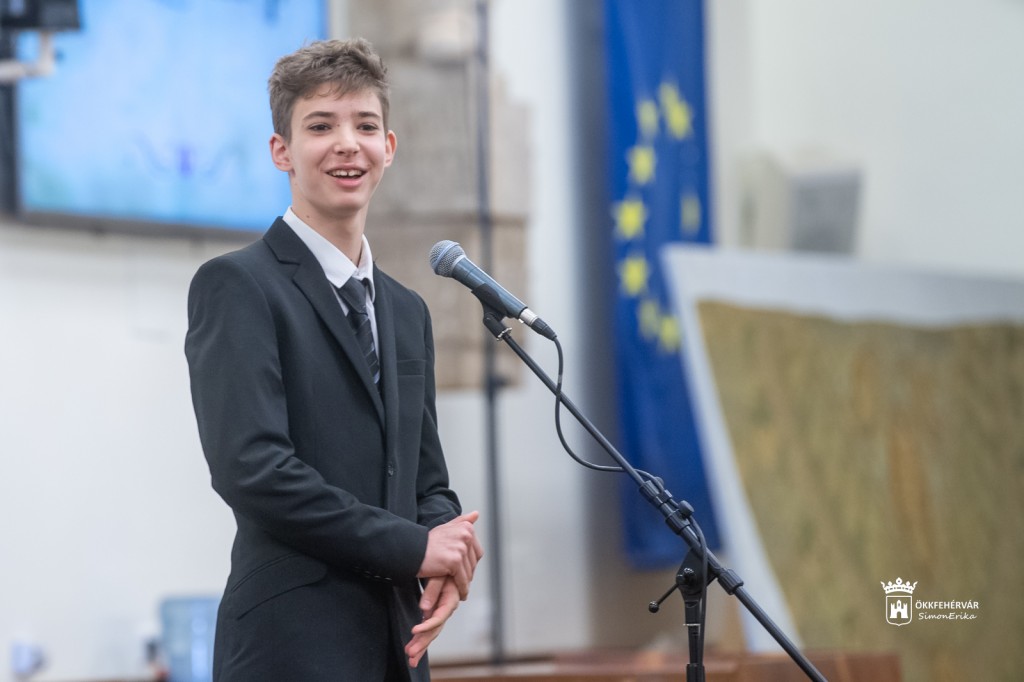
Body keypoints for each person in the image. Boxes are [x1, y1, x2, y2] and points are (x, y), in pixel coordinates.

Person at [184, 38, 483, 681]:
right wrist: (415, 547)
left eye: (365, 126)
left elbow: (426, 479)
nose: (348, 144)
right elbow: (253, 470)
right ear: (281, 151)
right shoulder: (238, 285)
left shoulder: (406, 311)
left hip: (398, 646)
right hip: (290, 646)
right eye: (321, 126)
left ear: (389, 148)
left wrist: (447, 549)